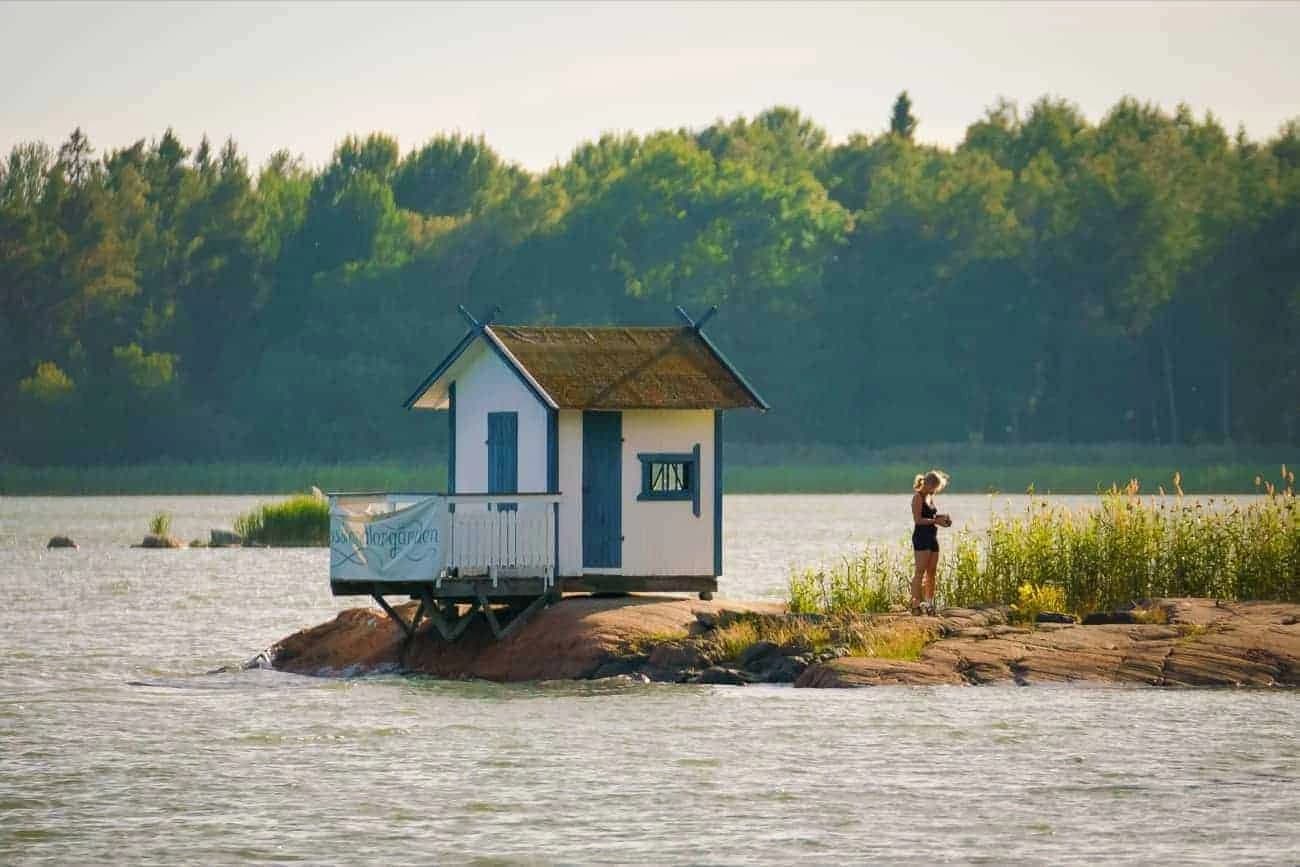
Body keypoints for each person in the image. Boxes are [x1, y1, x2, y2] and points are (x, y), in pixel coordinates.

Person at [910, 470, 951, 615]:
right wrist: (935, 520)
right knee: (920, 571)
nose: (936, 490)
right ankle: (915, 604)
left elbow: (932, 515)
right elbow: (918, 520)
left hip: (932, 536)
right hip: (921, 537)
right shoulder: (918, 497)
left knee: (932, 572)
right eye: (936, 487)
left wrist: (942, 518)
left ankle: (929, 603)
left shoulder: (929, 497)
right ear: (928, 484)